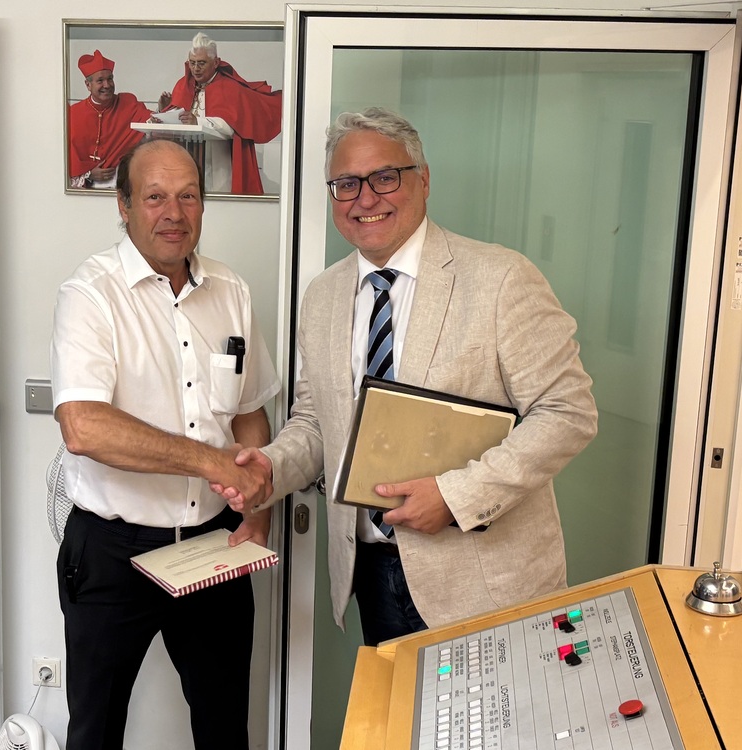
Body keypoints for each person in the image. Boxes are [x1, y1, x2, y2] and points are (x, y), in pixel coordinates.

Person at [218, 107, 598, 646]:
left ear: (423, 179)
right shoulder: (323, 296)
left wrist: (456, 495)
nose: (365, 198)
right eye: (347, 184)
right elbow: (318, 421)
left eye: (384, 177)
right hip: (373, 574)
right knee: (395, 705)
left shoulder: (501, 279)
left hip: (486, 581)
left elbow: (567, 413)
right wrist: (271, 467)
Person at [51, 138, 280, 750]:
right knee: (95, 732)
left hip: (213, 545)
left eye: (188, 196)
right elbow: (83, 426)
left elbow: (250, 410)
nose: (173, 213)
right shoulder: (90, 294)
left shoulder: (231, 290)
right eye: (154, 197)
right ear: (123, 206)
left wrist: (256, 507)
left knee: (225, 729)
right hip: (112, 551)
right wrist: (211, 461)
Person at [158, 32, 282, 195]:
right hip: (187, 161)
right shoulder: (183, 85)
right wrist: (165, 110)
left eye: (201, 63)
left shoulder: (229, 87)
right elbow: (178, 121)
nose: (195, 68)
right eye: (192, 63)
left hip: (219, 163)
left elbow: (232, 126)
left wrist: (198, 122)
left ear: (216, 62)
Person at [68, 49, 152, 189]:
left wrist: (163, 108)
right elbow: (66, 158)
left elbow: (152, 124)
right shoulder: (73, 113)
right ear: (88, 85)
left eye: (110, 79)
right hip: (82, 190)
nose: (107, 85)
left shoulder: (127, 103)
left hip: (119, 184)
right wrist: (88, 174)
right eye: (100, 81)